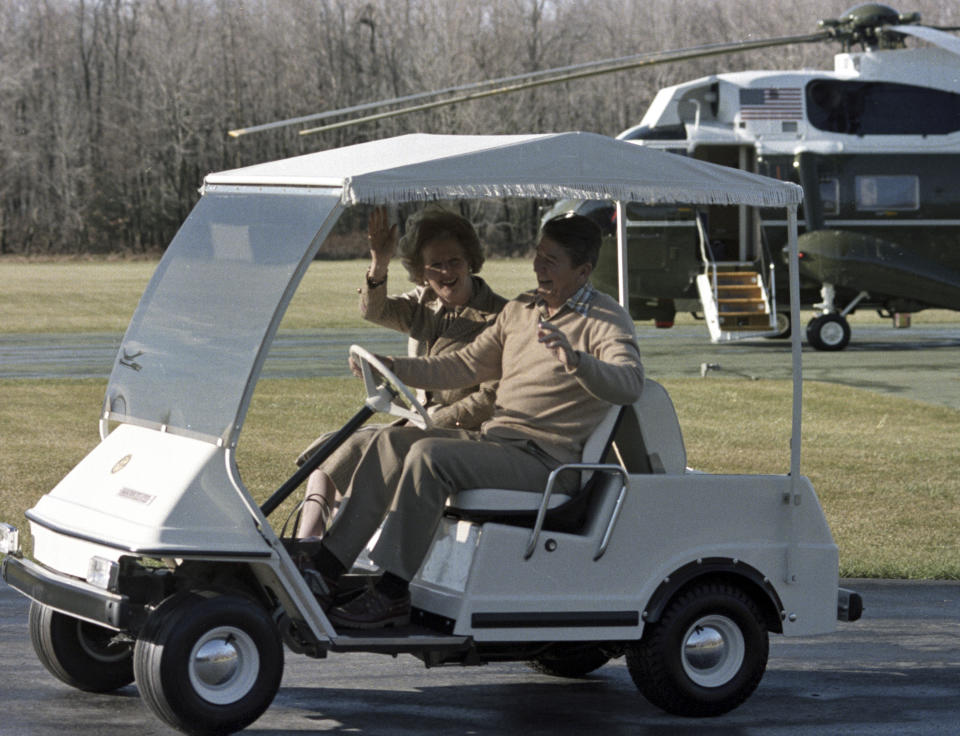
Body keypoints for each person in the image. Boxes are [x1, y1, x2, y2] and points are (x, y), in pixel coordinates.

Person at [307, 213, 644, 629]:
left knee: (430, 455)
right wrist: (392, 365)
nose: (538, 267)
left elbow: (629, 384)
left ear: (583, 270)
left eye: (551, 261)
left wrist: (577, 361)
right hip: (499, 442)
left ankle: (391, 593)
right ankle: (326, 566)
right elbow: (464, 365)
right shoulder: (522, 310)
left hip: (546, 460)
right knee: (390, 443)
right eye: (538, 256)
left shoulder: (605, 319)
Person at [294, 204, 507, 539]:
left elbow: (490, 399)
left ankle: (325, 546)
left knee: (366, 444)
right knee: (333, 446)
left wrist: (430, 420)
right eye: (435, 265)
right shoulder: (424, 304)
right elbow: (372, 310)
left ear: (470, 261)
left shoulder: (498, 317)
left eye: (454, 261)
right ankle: (306, 541)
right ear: (422, 273)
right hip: (418, 419)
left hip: (462, 430)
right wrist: (379, 262)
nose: (446, 272)